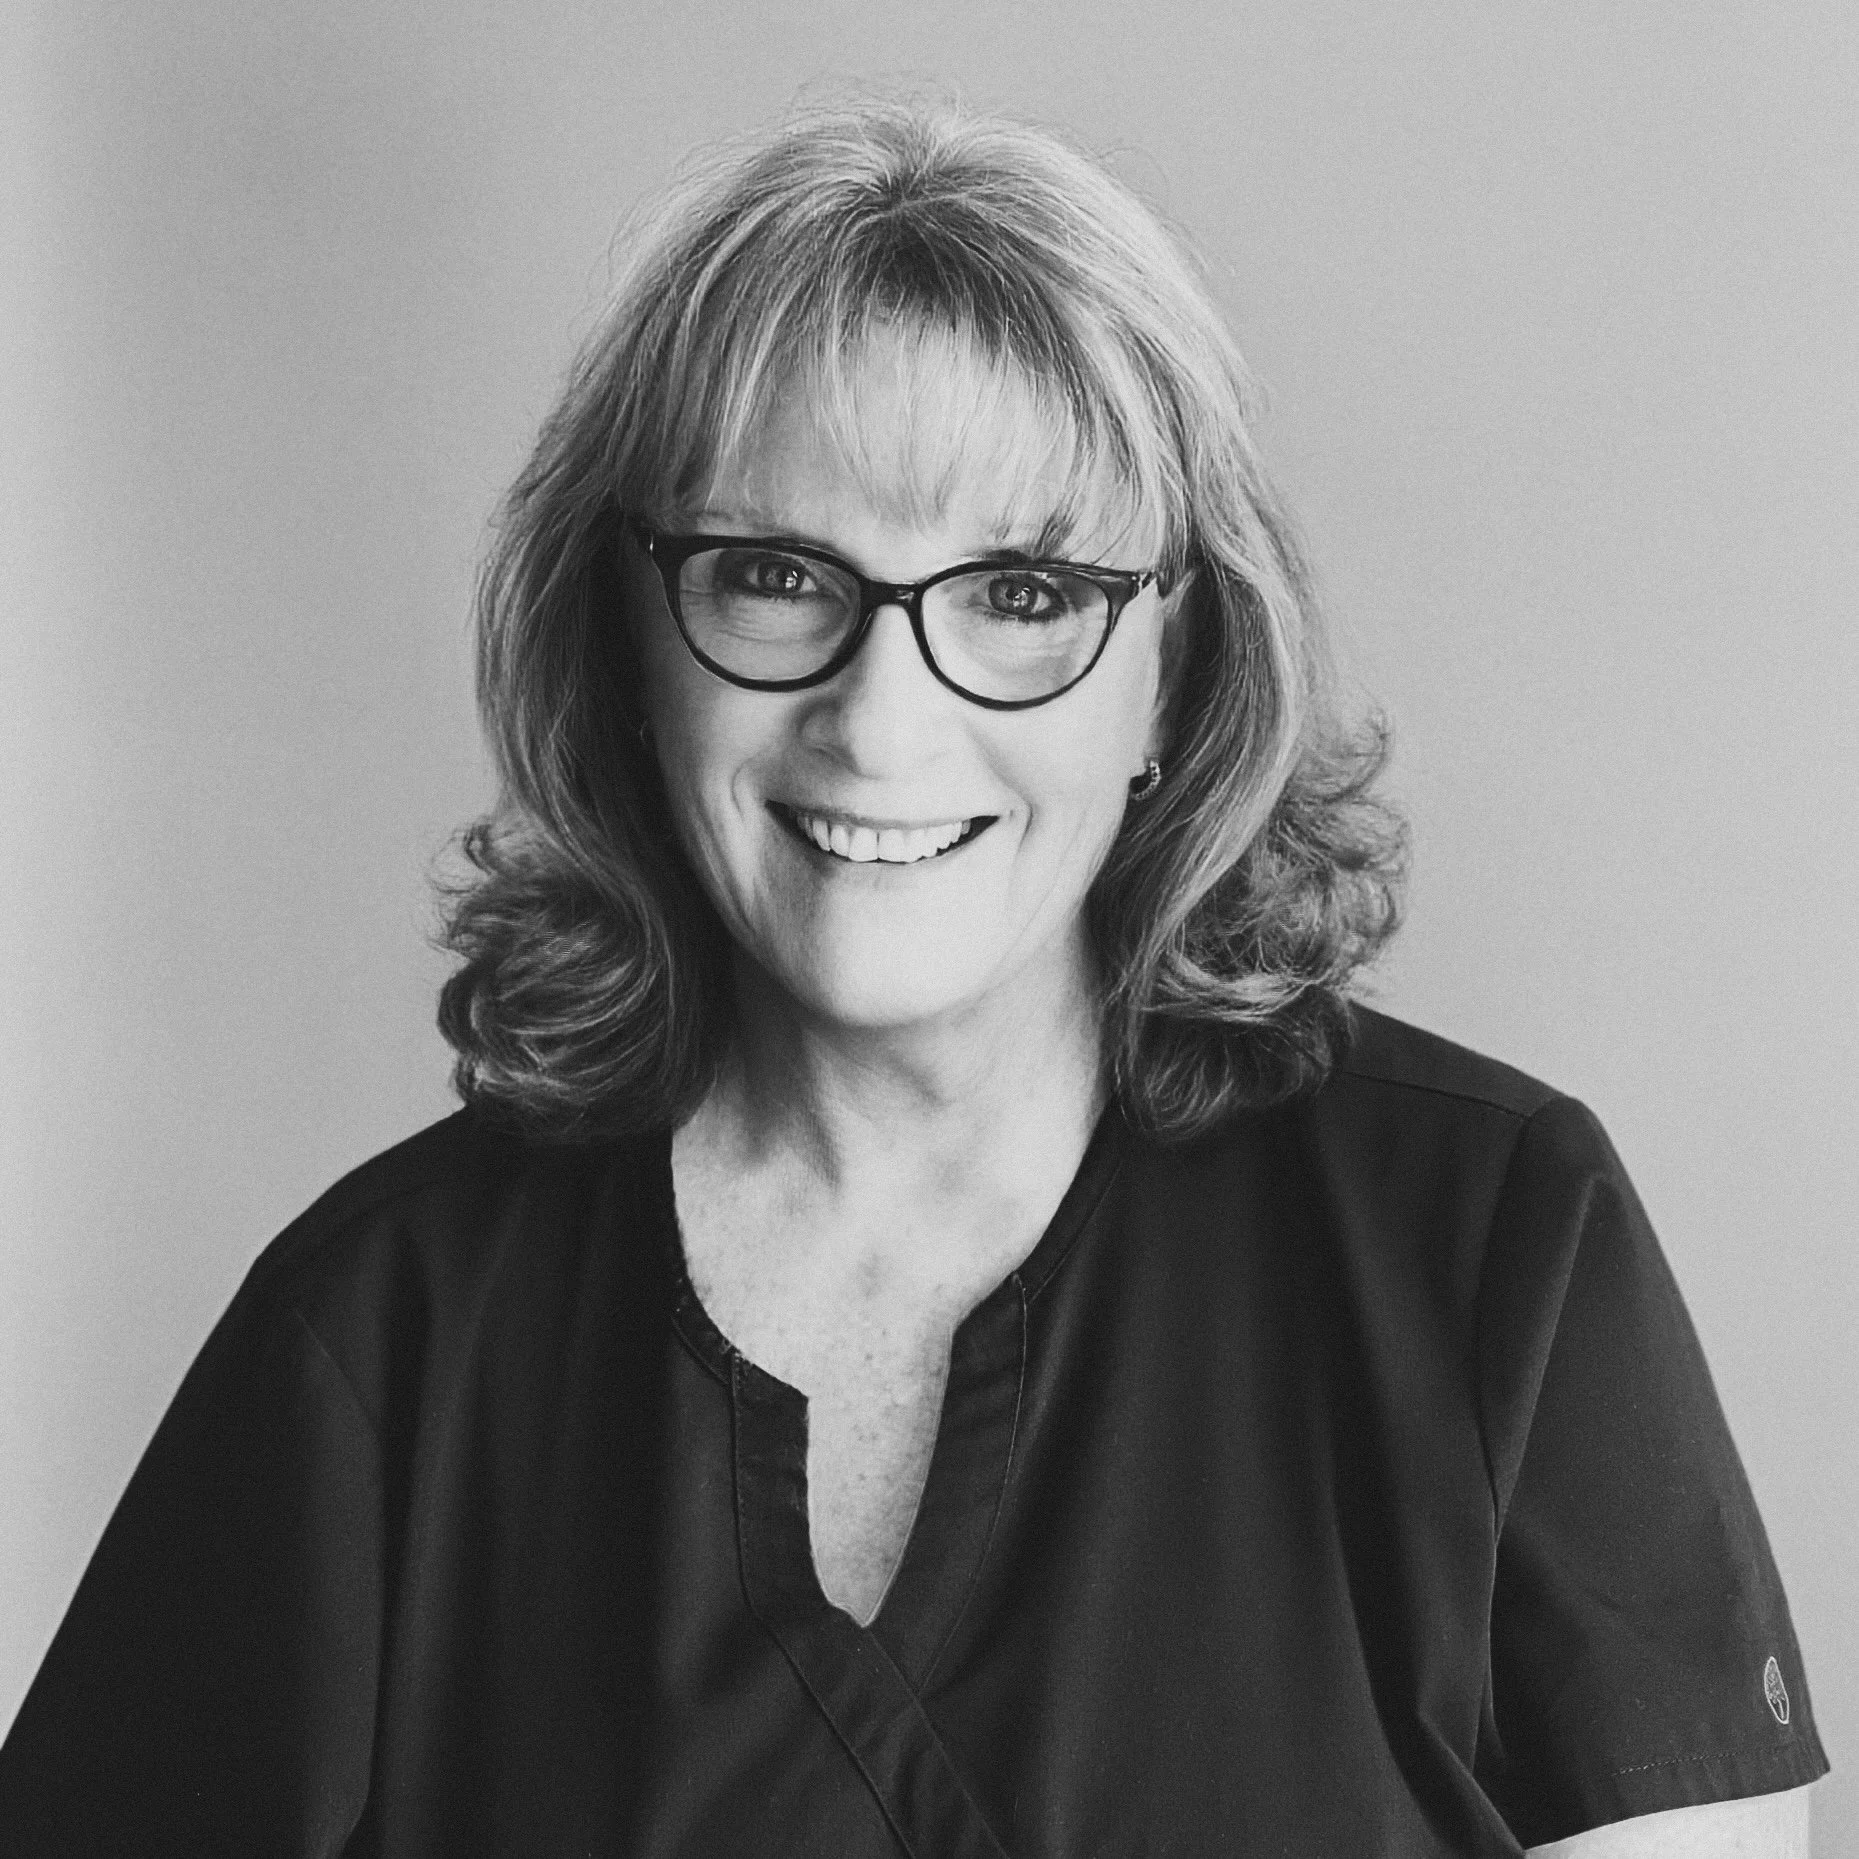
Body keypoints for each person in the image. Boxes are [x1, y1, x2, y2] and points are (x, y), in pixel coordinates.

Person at [0, 98, 1827, 1858]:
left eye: (1021, 592)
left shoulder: (1488, 1246)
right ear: (628, 647)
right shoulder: (382, 1338)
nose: (884, 724)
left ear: (1174, 681)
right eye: (781, 573)